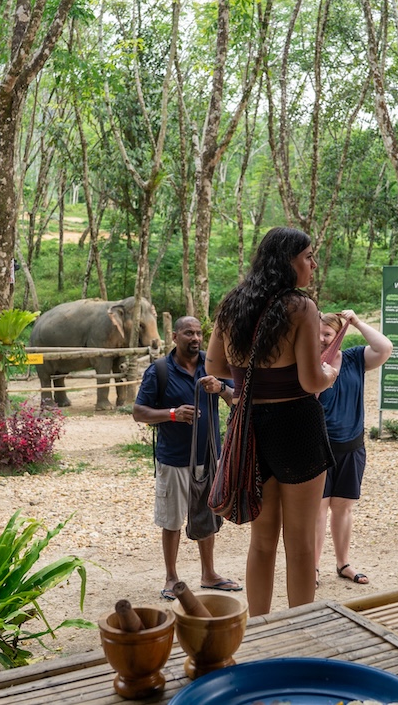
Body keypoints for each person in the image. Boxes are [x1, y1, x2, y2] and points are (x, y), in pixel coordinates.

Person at [206, 227, 339, 616]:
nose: (313, 264)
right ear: (287, 261)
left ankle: (260, 627)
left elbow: (215, 365)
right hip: (297, 425)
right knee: (300, 544)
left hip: (250, 426)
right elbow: (311, 381)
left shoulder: (232, 303)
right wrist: (330, 372)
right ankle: (298, 630)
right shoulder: (301, 307)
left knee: (262, 542)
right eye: (308, 256)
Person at [133, 316, 242, 601]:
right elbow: (139, 412)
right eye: (188, 333)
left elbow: (237, 399)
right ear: (174, 336)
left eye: (198, 333)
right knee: (172, 520)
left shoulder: (213, 365)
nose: (195, 338)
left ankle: (209, 574)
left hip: (209, 456)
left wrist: (220, 388)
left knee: (208, 514)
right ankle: (171, 577)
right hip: (173, 459)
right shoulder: (158, 371)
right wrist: (171, 414)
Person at [314, 309, 392, 586]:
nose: (323, 339)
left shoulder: (354, 358)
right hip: (318, 448)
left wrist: (357, 322)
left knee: (344, 508)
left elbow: (384, 348)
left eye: (328, 334)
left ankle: (343, 563)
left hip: (352, 445)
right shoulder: (309, 364)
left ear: (339, 335)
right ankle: (313, 568)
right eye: (318, 333)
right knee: (318, 509)